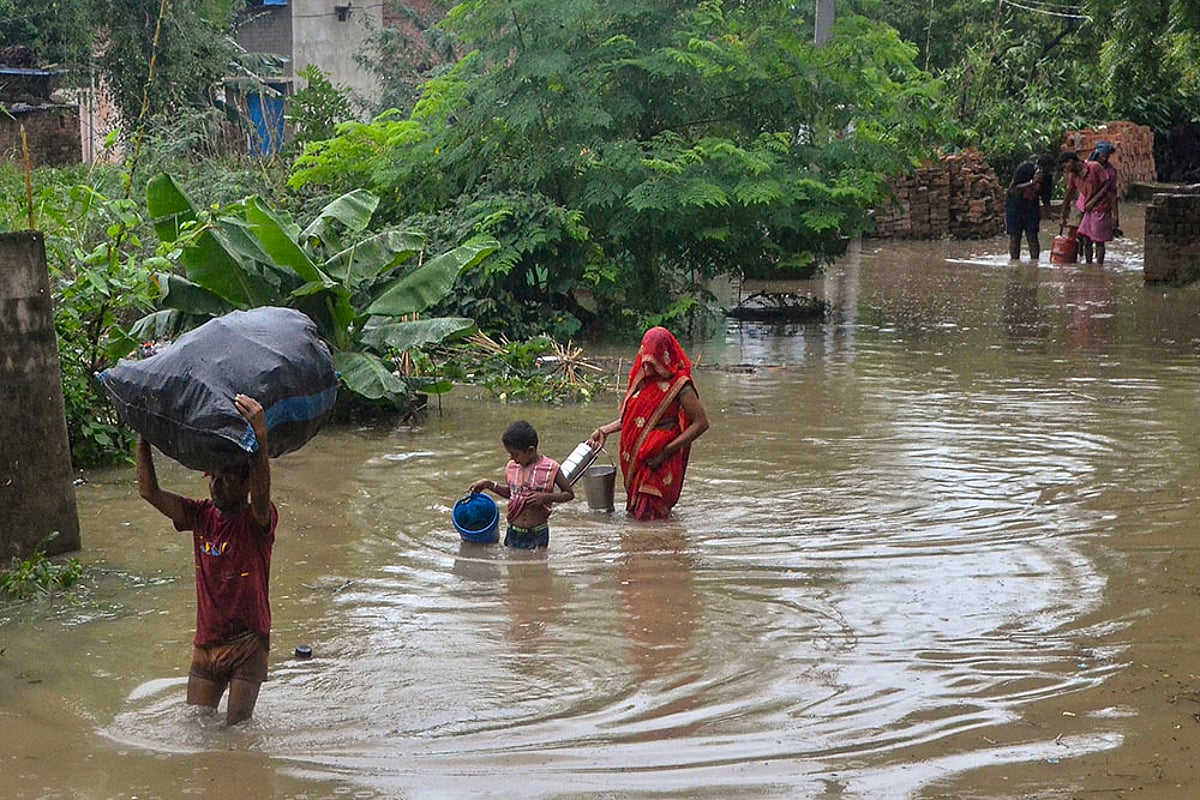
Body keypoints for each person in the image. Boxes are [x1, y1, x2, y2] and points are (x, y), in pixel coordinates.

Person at [136, 394, 277, 726]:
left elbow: (261, 492)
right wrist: (143, 436)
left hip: (248, 644)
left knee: (238, 733)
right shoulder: (200, 515)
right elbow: (148, 491)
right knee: (195, 727)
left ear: (244, 483)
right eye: (213, 477)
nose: (216, 485)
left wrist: (260, 435)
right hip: (208, 644)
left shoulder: (257, 520)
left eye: (226, 479)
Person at [588, 327, 710, 520]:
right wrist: (605, 430)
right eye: (645, 361)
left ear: (665, 357)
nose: (647, 367)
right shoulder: (643, 381)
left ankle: (657, 547)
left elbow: (701, 423)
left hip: (660, 462)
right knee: (639, 516)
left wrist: (666, 451)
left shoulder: (681, 385)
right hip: (639, 461)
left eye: (653, 362)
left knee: (650, 515)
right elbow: (635, 419)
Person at [470, 420, 574, 549]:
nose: (512, 459)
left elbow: (569, 494)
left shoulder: (551, 468)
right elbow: (512, 494)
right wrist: (489, 485)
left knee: (538, 566)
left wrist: (545, 497)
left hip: (538, 532)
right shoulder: (512, 467)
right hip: (514, 531)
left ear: (530, 450)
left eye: (515, 455)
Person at [1005, 154, 1057, 261]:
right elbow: (1013, 189)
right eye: (1047, 169)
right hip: (1015, 205)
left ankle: (1034, 263)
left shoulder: (1047, 178)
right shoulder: (1024, 169)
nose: (1048, 172)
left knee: (1032, 235)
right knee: (1015, 236)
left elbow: (1045, 197)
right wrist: (1032, 182)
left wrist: (1050, 213)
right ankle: (1014, 262)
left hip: (1031, 206)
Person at [1077, 141, 1120, 264]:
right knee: (1083, 237)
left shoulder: (1110, 172)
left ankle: (1098, 266)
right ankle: (1086, 262)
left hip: (1101, 207)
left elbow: (1112, 193)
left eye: (1106, 156)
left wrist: (1115, 216)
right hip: (1084, 206)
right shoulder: (1086, 166)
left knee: (1098, 240)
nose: (1104, 158)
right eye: (1102, 155)